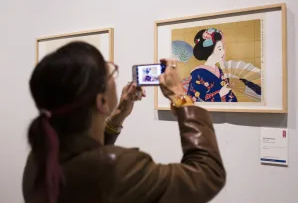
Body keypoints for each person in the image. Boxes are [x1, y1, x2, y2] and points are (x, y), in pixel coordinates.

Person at [22, 41, 226, 203]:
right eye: (110, 72)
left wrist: (119, 113)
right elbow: (206, 175)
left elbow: (87, 151)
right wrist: (181, 98)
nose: (114, 75)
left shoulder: (41, 156)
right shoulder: (118, 168)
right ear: (101, 101)